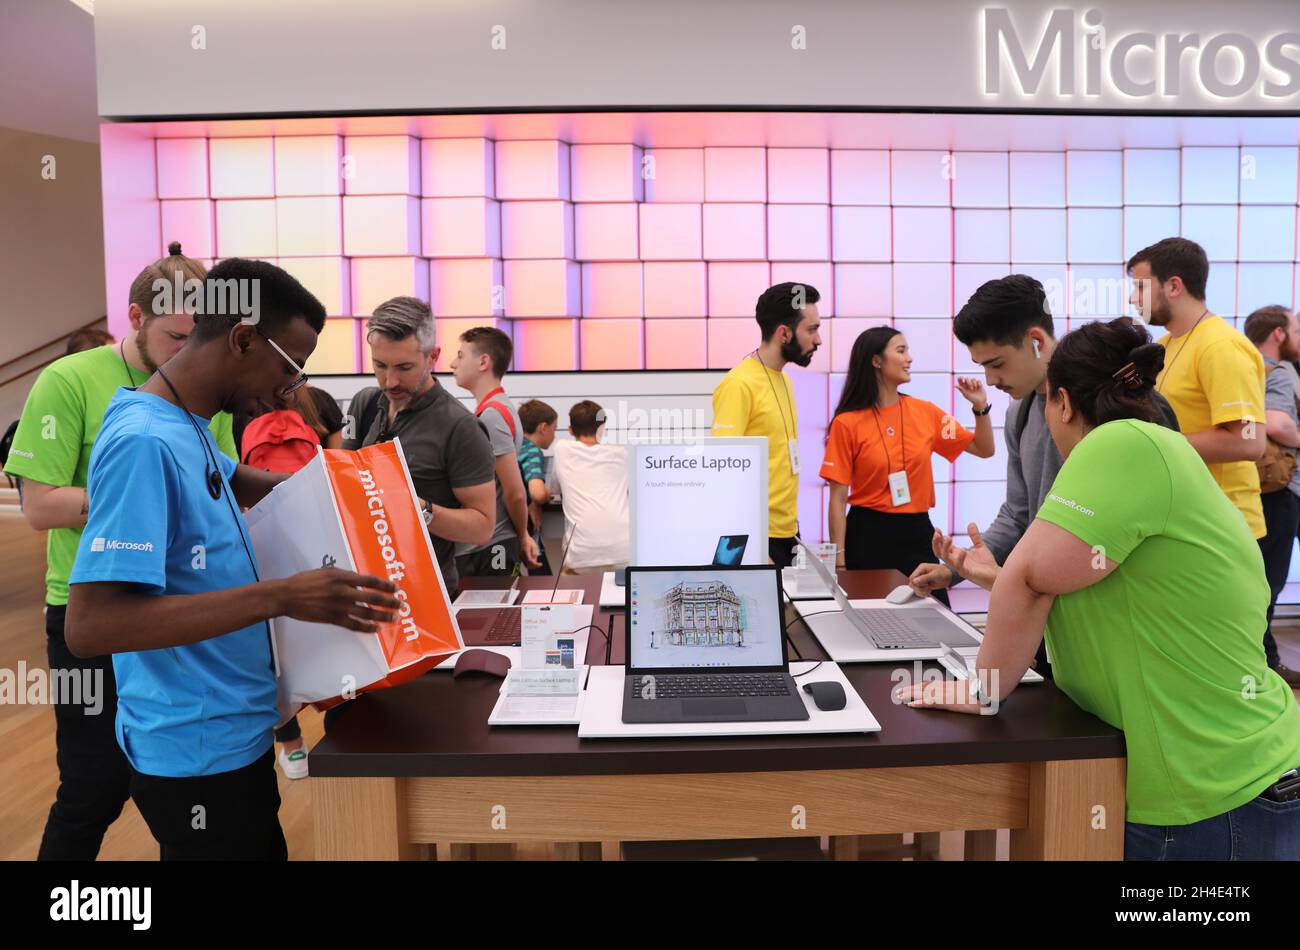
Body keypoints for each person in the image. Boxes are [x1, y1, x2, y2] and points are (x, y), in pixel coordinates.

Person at [898, 317, 1300, 861]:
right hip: (1231, 776)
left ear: (1062, 402)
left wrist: (982, 690)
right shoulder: (1153, 444)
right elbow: (1090, 581)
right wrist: (992, 576)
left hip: (1214, 791)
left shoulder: (1120, 443)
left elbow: (1032, 577)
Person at [63, 259, 401, 860]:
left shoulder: (183, 423)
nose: (288, 389)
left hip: (231, 735)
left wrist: (376, 499)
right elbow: (92, 626)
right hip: (195, 754)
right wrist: (284, 595)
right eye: (289, 366)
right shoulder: (144, 441)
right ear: (243, 338)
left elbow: (239, 480)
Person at [6, 242, 238, 861]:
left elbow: (217, 486)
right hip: (93, 611)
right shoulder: (69, 380)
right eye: (173, 337)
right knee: (93, 787)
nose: (187, 353)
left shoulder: (203, 387)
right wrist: (143, 499)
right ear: (135, 318)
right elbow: (40, 506)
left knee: (180, 785)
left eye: (200, 338)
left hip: (180, 613)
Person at [910, 274, 1180, 675]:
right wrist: (958, 567)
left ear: (1036, 339)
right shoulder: (1018, 414)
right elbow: (1020, 514)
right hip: (1054, 626)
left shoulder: (1123, 405)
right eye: (982, 367)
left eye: (997, 363)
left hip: (1128, 626)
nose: (990, 381)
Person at [820, 326, 994, 605]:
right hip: (867, 534)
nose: (909, 358)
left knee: (935, 616)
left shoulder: (926, 413)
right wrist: (839, 563)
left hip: (916, 532)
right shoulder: (847, 423)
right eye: (901, 351)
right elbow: (838, 499)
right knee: (871, 619)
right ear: (876, 360)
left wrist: (980, 409)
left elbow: (984, 449)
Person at [233, 382, 348, 778]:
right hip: (317, 532)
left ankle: (292, 745)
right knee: (335, 627)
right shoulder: (322, 403)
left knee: (273, 644)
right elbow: (337, 468)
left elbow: (237, 476)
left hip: (265, 535)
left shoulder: (242, 406)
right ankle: (344, 723)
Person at [345, 297, 496, 595]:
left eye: (404, 367)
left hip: (427, 597)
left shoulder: (461, 428)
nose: (390, 381)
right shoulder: (364, 403)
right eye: (379, 365)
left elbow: (482, 527)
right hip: (364, 585)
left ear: (433, 357)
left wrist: (418, 509)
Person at [1127, 237, 1266, 537]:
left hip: (1226, 526)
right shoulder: (1164, 346)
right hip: (1186, 520)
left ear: (1174, 286)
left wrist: (1156, 447)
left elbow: (1249, 442)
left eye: (1140, 287)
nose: (1132, 299)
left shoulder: (1221, 346)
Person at [711, 282, 822, 568]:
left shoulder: (784, 379)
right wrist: (753, 551)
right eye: (811, 329)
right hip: (755, 541)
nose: (818, 339)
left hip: (786, 533)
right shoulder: (739, 384)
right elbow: (722, 473)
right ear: (784, 333)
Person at [450, 327, 540, 577]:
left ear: (483, 362)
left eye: (460, 355)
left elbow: (515, 493)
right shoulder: (497, 410)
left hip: (487, 548)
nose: (452, 363)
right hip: (487, 545)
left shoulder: (493, 415)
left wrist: (523, 536)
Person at [1244, 305, 1300, 687]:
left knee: (1257, 581)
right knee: (1270, 582)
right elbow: (1279, 422)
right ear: (1278, 333)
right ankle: (1265, 662)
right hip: (1279, 490)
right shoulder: (1277, 370)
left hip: (1253, 485)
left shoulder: (1244, 367)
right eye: (1295, 327)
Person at [551, 400, 629, 574]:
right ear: (603, 428)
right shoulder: (621, 453)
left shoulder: (562, 450)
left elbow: (553, 490)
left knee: (571, 590)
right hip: (624, 551)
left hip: (581, 557)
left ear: (570, 430)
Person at [517, 399, 559, 575]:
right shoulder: (532, 451)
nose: (555, 435)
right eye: (554, 429)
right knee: (543, 581)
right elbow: (538, 493)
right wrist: (547, 495)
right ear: (543, 427)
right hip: (522, 529)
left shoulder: (514, 446)